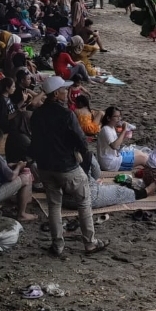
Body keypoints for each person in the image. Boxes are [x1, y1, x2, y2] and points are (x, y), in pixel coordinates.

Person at [29, 76, 107, 256]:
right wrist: (78, 153)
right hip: (66, 166)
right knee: (84, 201)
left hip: (45, 166)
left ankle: (58, 245)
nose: (67, 92)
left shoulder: (37, 114)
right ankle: (90, 243)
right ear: (56, 94)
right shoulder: (66, 115)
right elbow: (81, 141)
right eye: (64, 90)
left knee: (54, 205)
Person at [97, 106, 150, 172]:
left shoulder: (111, 128)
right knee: (143, 158)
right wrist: (124, 130)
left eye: (119, 116)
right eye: (116, 116)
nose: (119, 119)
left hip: (114, 156)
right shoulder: (106, 129)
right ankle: (154, 175)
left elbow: (118, 145)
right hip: (109, 162)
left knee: (140, 153)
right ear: (108, 118)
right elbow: (114, 146)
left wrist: (125, 134)